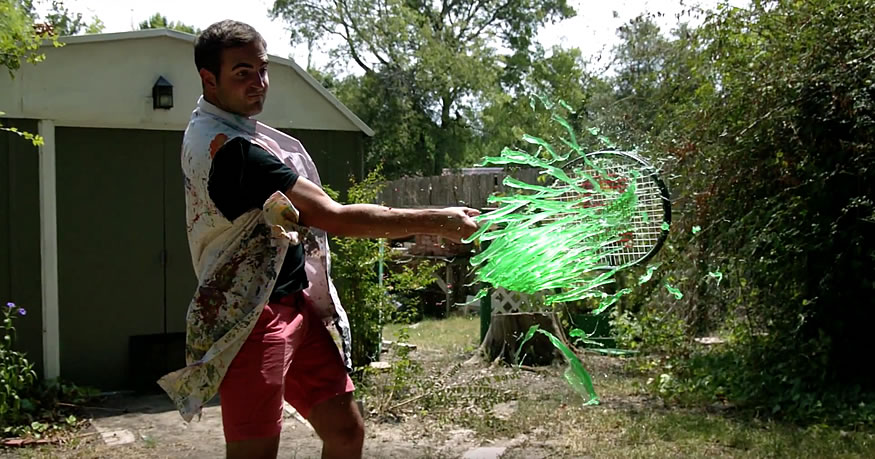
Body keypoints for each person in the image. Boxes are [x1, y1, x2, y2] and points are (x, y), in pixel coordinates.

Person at [156, 19, 480, 459]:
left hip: (295, 308)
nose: (259, 83)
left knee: (346, 433)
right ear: (208, 79)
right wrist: (437, 219)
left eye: (262, 69)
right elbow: (334, 217)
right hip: (253, 320)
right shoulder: (231, 151)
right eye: (242, 72)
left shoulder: (228, 128)